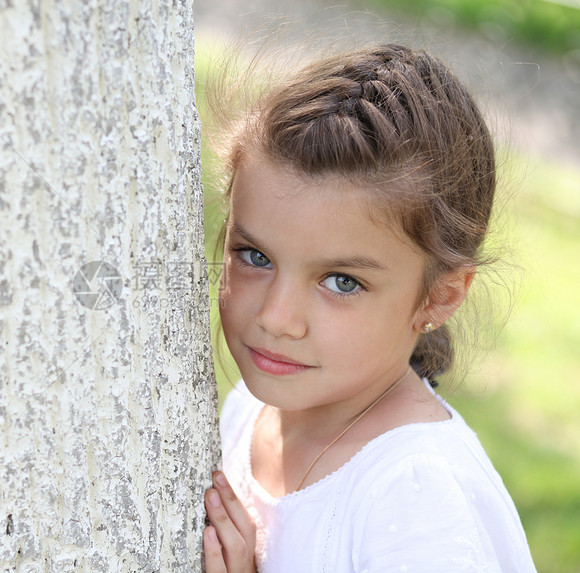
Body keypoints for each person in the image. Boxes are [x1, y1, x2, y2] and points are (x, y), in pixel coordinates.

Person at [202, 44, 537, 572]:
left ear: (440, 296)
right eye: (255, 256)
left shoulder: (417, 498)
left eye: (341, 281)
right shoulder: (249, 408)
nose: (275, 318)